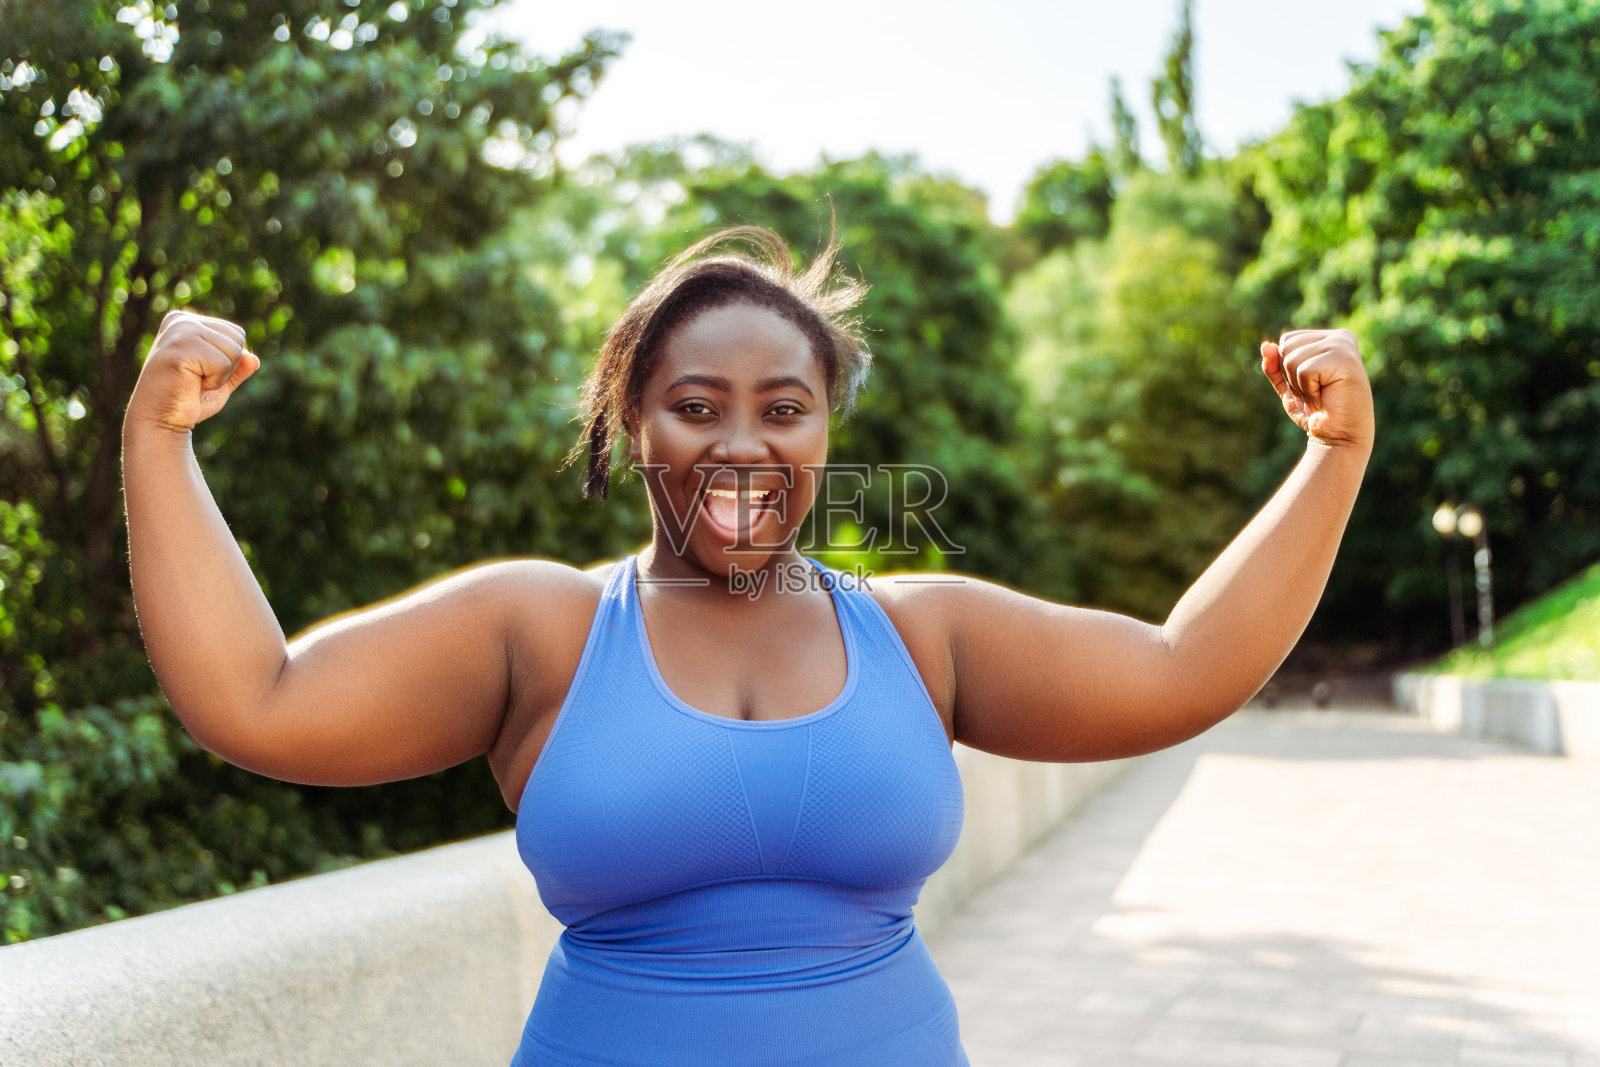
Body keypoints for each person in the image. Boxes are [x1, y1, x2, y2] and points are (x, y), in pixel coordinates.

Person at [121, 226, 1373, 1066]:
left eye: (784, 408)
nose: (742, 445)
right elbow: (254, 700)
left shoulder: (918, 633)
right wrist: (158, 440)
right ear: (633, 423)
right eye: (695, 406)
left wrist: (1332, 458)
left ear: (827, 428)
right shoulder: (542, 629)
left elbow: (1180, 669)